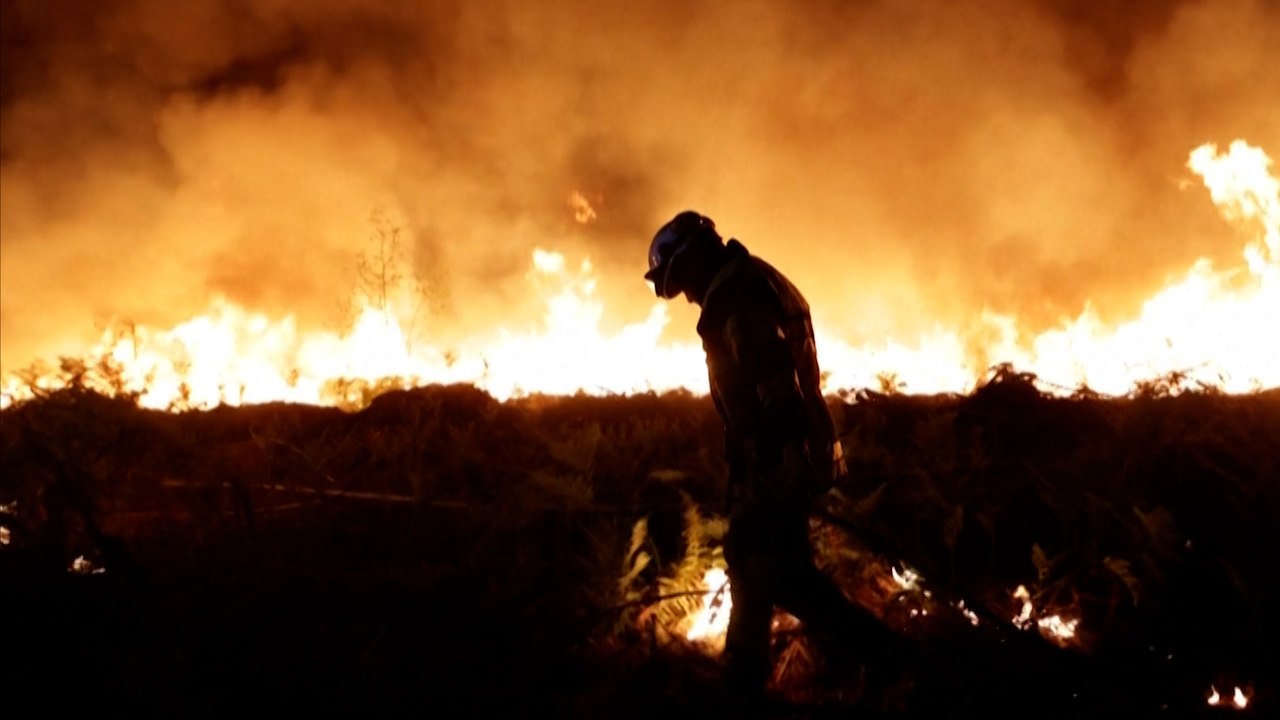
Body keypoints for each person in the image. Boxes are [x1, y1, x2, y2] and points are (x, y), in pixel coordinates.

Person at [643, 210, 907, 703]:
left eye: (681, 284)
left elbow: (772, 377)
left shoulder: (735, 297)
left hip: (776, 458)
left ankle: (885, 656)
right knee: (750, 563)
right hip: (776, 455)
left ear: (694, 260)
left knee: (777, 572)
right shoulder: (757, 276)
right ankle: (743, 681)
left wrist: (784, 456)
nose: (687, 297)